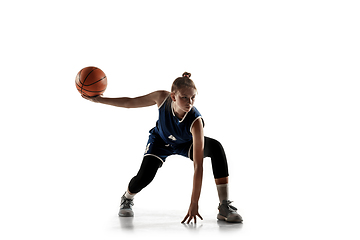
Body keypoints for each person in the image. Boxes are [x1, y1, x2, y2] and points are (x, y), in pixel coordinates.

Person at [82, 72, 242, 224]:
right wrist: (98, 100)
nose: (189, 102)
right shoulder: (161, 98)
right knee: (144, 177)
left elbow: (198, 166)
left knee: (215, 147)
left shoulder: (196, 121)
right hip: (160, 141)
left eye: (193, 98)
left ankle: (224, 206)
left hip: (185, 144)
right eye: (184, 97)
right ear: (173, 96)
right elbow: (130, 102)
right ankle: (127, 197)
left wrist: (194, 203)